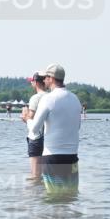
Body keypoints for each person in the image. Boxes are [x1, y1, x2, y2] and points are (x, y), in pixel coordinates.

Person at [28, 64, 82, 195]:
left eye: (45, 77)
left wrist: (27, 119)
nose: (44, 80)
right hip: (72, 157)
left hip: (53, 158)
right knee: (70, 197)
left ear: (51, 78)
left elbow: (35, 129)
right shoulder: (75, 99)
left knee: (54, 198)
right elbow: (78, 126)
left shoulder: (48, 99)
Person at [20, 72, 47, 179]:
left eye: (32, 81)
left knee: (35, 176)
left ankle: (34, 194)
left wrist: (24, 115)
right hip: (48, 137)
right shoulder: (51, 96)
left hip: (36, 138)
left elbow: (30, 119)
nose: (31, 82)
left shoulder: (35, 98)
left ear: (36, 82)